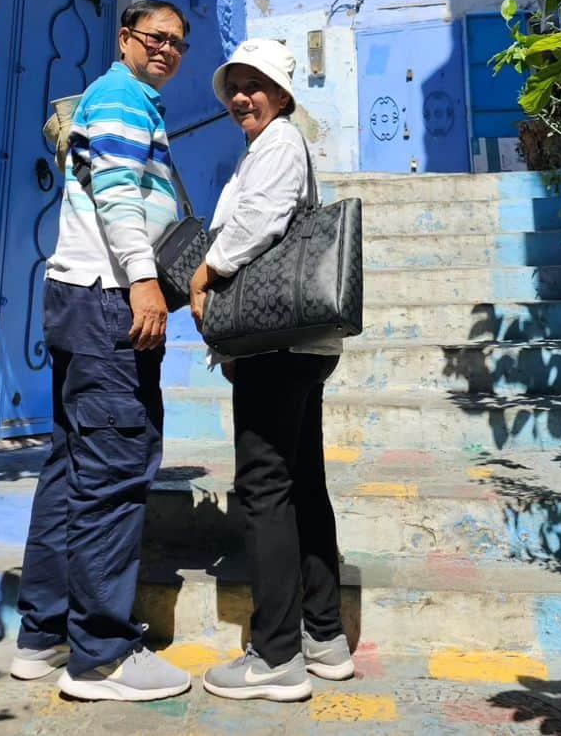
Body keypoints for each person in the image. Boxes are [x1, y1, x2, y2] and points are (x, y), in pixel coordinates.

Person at [9, 0, 192, 703]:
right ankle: (102, 656)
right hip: (108, 300)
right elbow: (118, 191)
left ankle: (44, 634)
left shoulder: (121, 98)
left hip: (78, 297)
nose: (168, 49)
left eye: (178, 42)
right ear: (126, 39)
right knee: (114, 470)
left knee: (72, 464)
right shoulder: (120, 96)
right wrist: (144, 282)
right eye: (156, 37)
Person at [188, 38, 353, 703]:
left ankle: (276, 654)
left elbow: (259, 218)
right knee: (301, 483)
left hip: (273, 346)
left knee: (264, 488)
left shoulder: (280, 142)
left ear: (283, 94)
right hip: (295, 346)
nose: (241, 96)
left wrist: (208, 267)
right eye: (235, 84)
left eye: (255, 84)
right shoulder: (272, 144)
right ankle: (323, 635)